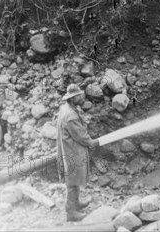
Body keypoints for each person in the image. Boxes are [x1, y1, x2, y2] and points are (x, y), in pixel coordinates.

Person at [56, 84, 99, 222]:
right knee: (72, 181)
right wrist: (91, 142)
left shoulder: (67, 108)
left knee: (73, 178)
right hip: (72, 149)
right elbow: (80, 135)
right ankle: (71, 212)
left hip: (69, 147)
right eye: (78, 96)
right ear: (72, 98)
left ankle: (76, 203)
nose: (82, 97)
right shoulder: (70, 116)